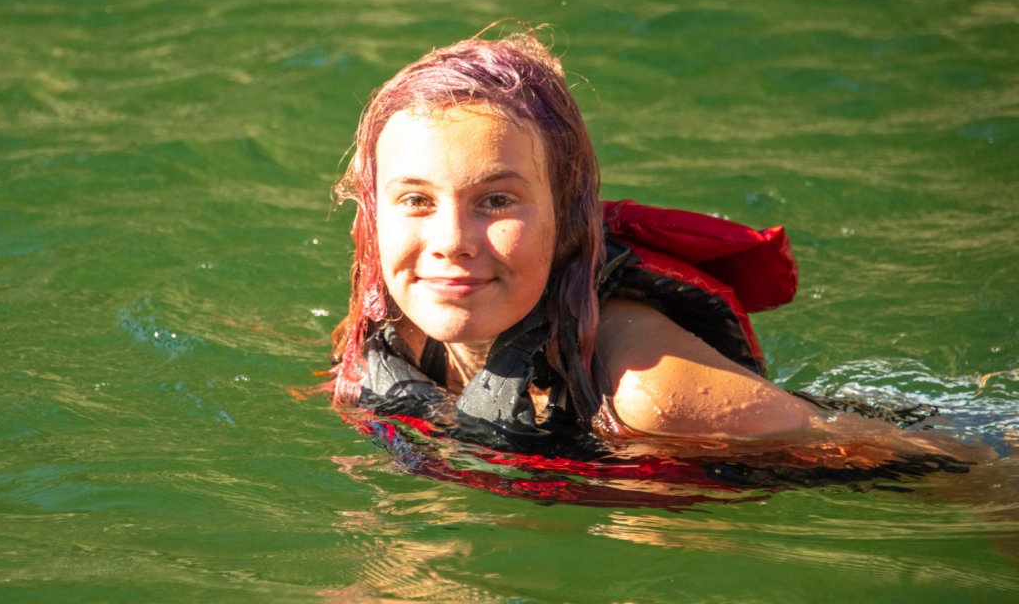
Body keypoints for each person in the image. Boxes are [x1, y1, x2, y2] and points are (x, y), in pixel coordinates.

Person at [328, 26, 993, 470]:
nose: (451, 243)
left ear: (569, 216)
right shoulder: (392, 341)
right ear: (371, 215)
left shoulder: (646, 395)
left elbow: (946, 463)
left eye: (497, 201)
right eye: (415, 200)